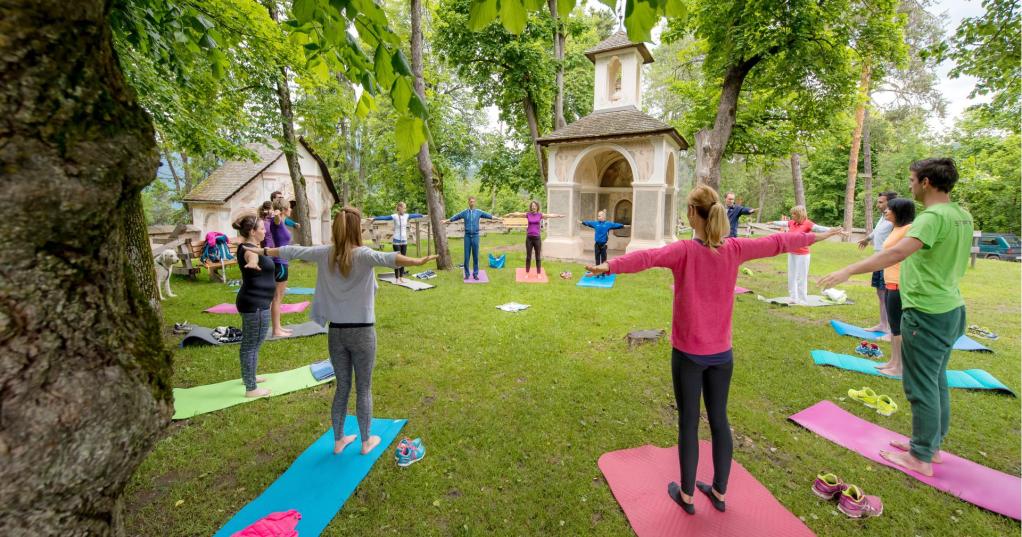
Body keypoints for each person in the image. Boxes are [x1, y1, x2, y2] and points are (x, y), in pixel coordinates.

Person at [586, 185, 844, 515]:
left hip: (689, 356)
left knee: (689, 423)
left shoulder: (684, 251)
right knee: (719, 421)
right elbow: (781, 242)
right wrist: (821, 236)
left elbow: (646, 258)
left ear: (693, 213)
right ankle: (720, 493)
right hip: (722, 356)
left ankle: (688, 495)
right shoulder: (734, 249)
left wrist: (608, 266)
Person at [821, 158, 972, 477]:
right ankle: (931, 446)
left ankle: (920, 456)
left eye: (913, 179)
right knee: (937, 380)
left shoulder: (931, 218)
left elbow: (896, 253)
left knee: (920, 385)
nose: (910, 185)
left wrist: (848, 269)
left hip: (928, 312)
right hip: (952, 309)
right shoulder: (960, 214)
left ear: (927, 182)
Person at [265, 207, 437, 455]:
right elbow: (391, 258)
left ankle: (339, 440)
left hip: (336, 333)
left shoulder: (326, 253)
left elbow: (292, 251)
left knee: (342, 387)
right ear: (358, 229)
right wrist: (418, 261)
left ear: (335, 228)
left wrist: (264, 251)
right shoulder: (364, 255)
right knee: (363, 387)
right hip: (363, 333)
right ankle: (366, 441)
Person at [232, 213, 275, 398]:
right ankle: (251, 388)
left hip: (255, 301)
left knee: (253, 343)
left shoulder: (250, 246)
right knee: (251, 345)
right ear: (252, 231)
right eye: (262, 228)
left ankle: (250, 377)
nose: (265, 231)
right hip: (255, 304)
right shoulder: (250, 250)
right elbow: (252, 258)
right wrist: (252, 263)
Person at [874, 198, 915, 377]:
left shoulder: (909, 229)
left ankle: (900, 367)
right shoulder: (895, 228)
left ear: (900, 211)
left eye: (890, 209)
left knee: (898, 328)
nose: (886, 211)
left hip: (900, 283)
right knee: (893, 325)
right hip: (889, 281)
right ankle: (893, 361)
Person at [858, 192, 898, 336]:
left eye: (881, 202)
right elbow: (877, 232)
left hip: (887, 259)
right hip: (878, 258)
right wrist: (867, 239)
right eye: (878, 202)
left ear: (890, 203)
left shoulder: (895, 218)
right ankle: (883, 324)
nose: (878, 205)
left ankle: (891, 329)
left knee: (889, 295)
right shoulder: (883, 217)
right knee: (880, 292)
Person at [368, 202, 425, 282]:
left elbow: (416, 215)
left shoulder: (406, 216)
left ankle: (401, 277)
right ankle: (396, 278)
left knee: (403, 260)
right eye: (404, 208)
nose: (405, 209)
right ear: (399, 208)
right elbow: (385, 217)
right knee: (397, 260)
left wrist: (423, 215)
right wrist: (374, 218)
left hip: (404, 241)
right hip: (396, 241)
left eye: (405, 208)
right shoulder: (394, 216)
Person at [443, 196, 497, 280]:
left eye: (473, 201)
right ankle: (467, 274)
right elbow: (455, 217)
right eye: (470, 201)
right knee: (466, 256)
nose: (472, 203)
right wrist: (446, 221)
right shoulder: (464, 212)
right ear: (468, 202)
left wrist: (499, 219)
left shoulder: (479, 212)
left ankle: (475, 274)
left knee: (475, 256)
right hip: (467, 237)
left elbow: (489, 216)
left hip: (475, 236)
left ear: (475, 203)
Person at [506, 201, 564, 277]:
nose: (533, 207)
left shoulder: (540, 215)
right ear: (531, 207)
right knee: (528, 256)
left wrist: (558, 215)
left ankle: (539, 273)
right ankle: (527, 273)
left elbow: (550, 215)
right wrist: (511, 214)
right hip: (529, 238)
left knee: (538, 257)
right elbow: (518, 214)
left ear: (537, 207)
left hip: (537, 238)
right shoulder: (528, 214)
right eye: (532, 206)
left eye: (535, 206)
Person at [264, 198, 294, 338]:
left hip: (281, 262)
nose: (291, 210)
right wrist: (276, 214)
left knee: (278, 297)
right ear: (284, 210)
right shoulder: (277, 221)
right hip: (280, 263)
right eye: (289, 207)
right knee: (277, 298)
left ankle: (278, 327)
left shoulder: (281, 223)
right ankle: (276, 330)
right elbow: (276, 220)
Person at [777, 206, 815, 304]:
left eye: (794, 214)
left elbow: (821, 229)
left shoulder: (808, 224)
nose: (792, 215)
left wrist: (835, 231)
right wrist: (770, 223)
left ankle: (803, 299)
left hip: (803, 254)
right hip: (792, 253)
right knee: (792, 276)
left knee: (801, 277)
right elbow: (782, 223)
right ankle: (793, 298)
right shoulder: (792, 223)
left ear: (799, 214)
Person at [580, 210, 627, 277]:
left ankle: (603, 273)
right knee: (597, 259)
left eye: (599, 216)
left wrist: (623, 226)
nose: (598, 217)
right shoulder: (596, 223)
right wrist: (582, 222)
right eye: (598, 216)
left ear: (603, 217)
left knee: (604, 260)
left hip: (603, 245)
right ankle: (596, 272)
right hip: (597, 245)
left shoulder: (608, 224)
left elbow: (616, 225)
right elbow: (589, 223)